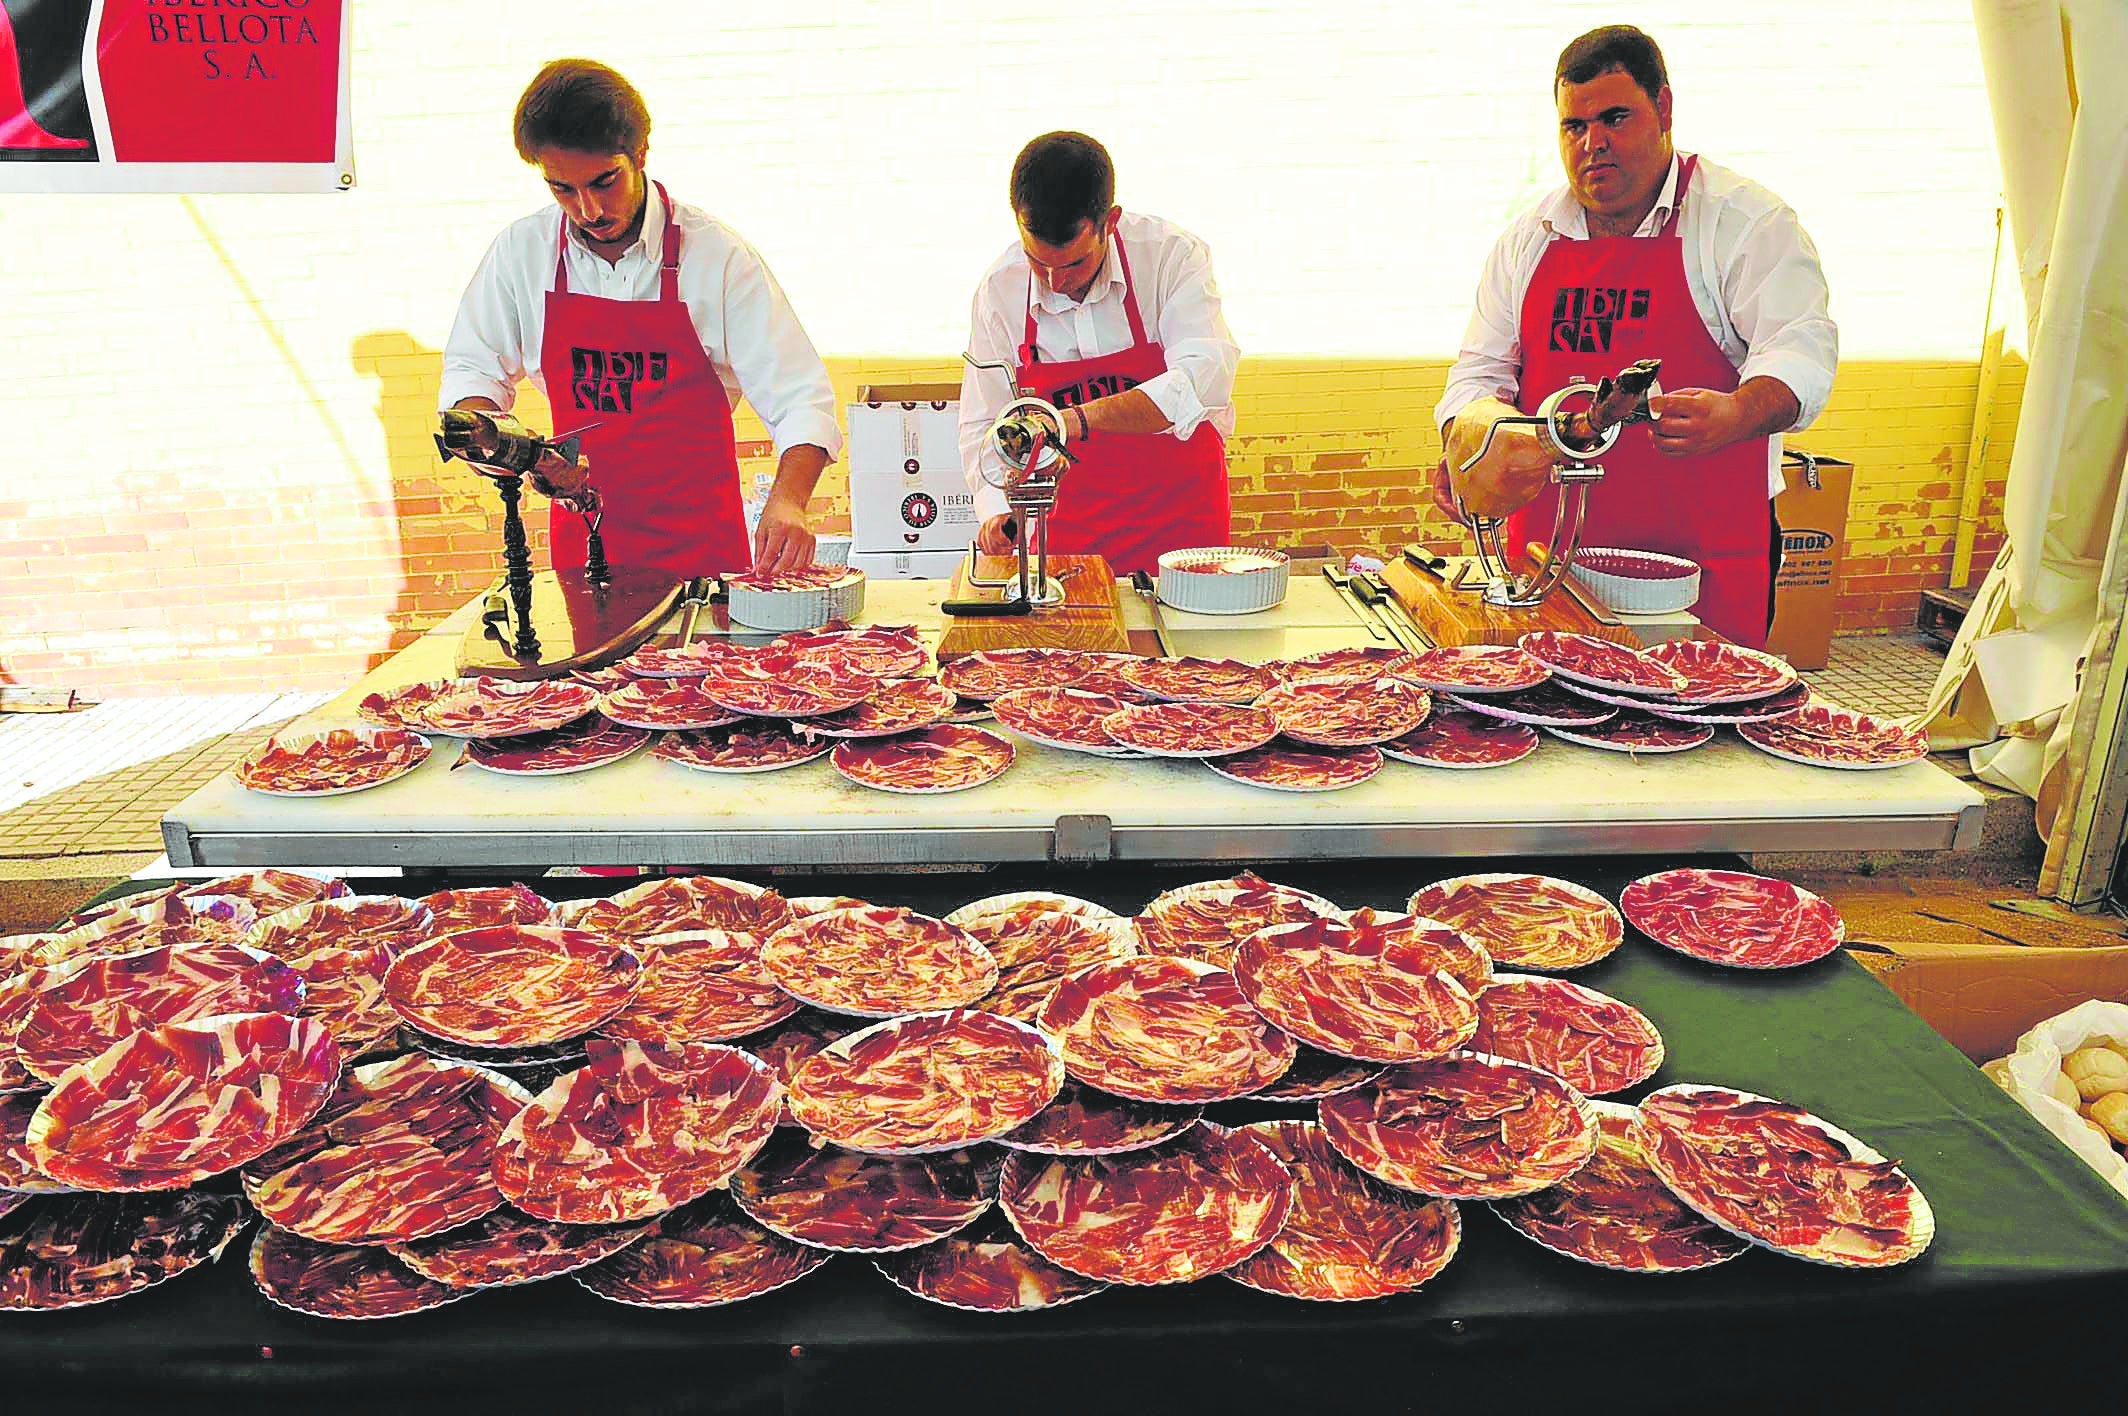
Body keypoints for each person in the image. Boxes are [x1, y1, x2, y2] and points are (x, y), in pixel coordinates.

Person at [1433, 26, 1837, 648]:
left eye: (1615, 118)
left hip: (1699, 575)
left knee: (1698, 733)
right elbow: (1478, 373)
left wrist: (1737, 411)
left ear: (1665, 110)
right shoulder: (1531, 237)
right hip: (1549, 567)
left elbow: (1801, 350)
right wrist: (1470, 447)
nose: (1594, 143)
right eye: (1575, 126)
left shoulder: (1744, 222)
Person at [441, 59, 839, 578]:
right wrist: (510, 447)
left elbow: (800, 398)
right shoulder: (522, 252)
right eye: (562, 189)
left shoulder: (715, 256)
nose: (588, 209)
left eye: (605, 182)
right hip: (583, 562)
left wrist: (788, 502)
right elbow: (473, 373)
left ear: (640, 154)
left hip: (703, 559)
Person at [959, 131, 1239, 577]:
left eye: (1073, 264)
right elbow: (982, 418)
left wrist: (1069, 422)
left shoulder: (1171, 258)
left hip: (1182, 527)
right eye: (1038, 262)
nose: (1054, 283)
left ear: (1110, 221)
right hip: (1069, 535)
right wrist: (994, 510)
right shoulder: (1000, 290)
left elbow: (1201, 381)